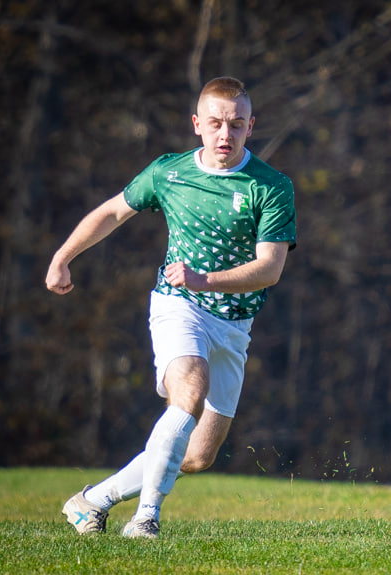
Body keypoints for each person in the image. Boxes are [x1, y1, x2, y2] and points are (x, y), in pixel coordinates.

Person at [45, 77, 296, 539]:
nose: (226, 134)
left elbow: (270, 268)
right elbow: (113, 212)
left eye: (237, 125)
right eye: (217, 123)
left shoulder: (272, 186)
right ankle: (146, 519)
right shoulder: (169, 172)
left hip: (235, 323)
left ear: (251, 127)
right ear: (197, 124)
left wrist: (208, 279)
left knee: (198, 455)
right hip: (179, 306)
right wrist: (63, 257)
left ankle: (92, 501)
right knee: (188, 392)